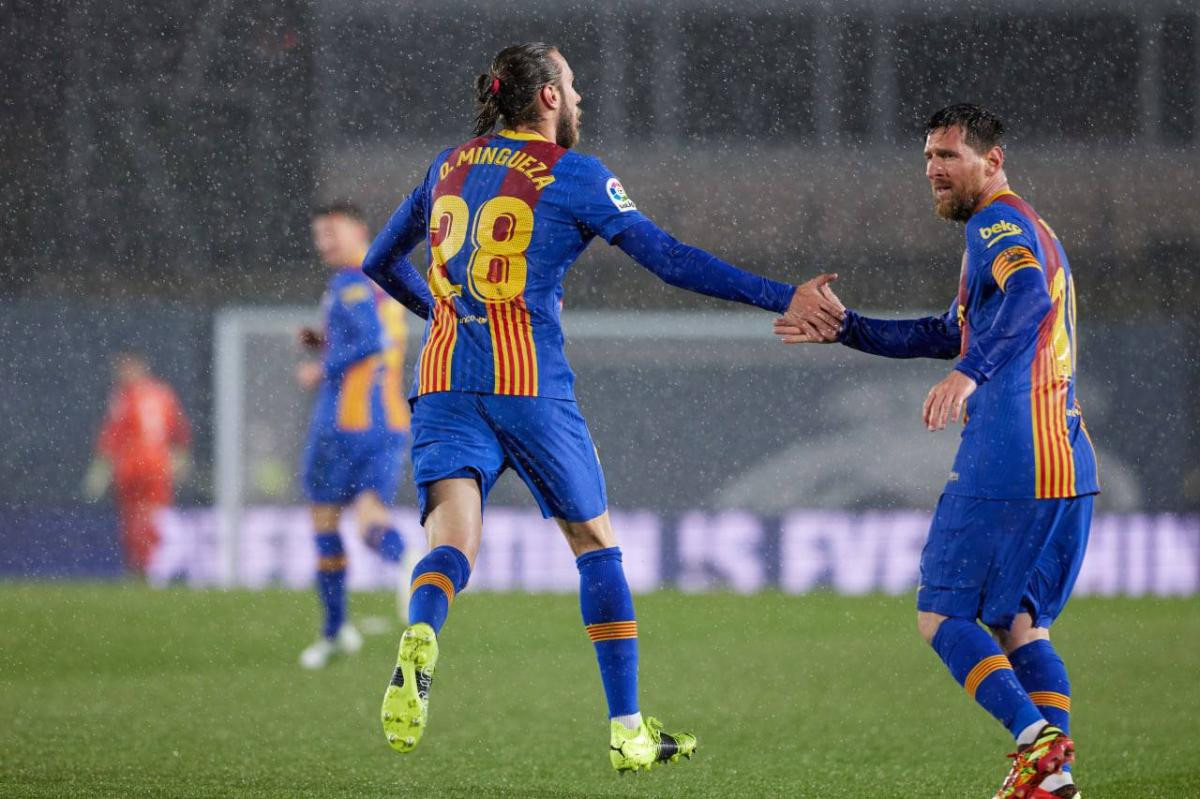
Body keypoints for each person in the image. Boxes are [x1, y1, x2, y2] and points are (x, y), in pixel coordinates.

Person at [360, 42, 842, 772]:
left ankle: (423, 634)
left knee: (450, 545)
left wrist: (446, 312)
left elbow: (378, 261)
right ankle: (627, 729)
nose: (580, 99)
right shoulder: (572, 172)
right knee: (596, 546)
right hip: (530, 386)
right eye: (574, 86)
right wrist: (784, 295)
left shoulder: (447, 164)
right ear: (547, 97)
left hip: (444, 380)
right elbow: (670, 259)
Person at [776, 104, 1097, 799]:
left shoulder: (998, 223)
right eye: (928, 157)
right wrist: (849, 329)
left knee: (942, 614)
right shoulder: (1026, 228)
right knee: (1020, 625)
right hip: (1069, 458)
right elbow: (944, 330)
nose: (933, 169)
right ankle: (1054, 778)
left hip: (1014, 446)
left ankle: (1035, 741)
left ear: (993, 160)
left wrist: (970, 372)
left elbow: (1028, 299)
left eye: (949, 156)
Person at [296, 201, 416, 670]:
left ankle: (335, 629)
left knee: (326, 523)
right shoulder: (389, 274)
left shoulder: (349, 281)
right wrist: (325, 341)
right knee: (369, 516)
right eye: (319, 236)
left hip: (344, 424)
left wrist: (321, 366)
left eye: (333, 234)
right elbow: (375, 337)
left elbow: (370, 341)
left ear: (359, 230)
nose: (325, 244)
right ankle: (404, 561)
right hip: (388, 420)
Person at [84, 352, 192, 576]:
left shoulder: (126, 396)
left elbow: (112, 434)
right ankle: (144, 566)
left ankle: (144, 566)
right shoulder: (163, 392)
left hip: (138, 465)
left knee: (141, 518)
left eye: (127, 368)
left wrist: (101, 468)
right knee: (141, 517)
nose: (124, 373)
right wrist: (180, 457)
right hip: (153, 464)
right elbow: (180, 432)